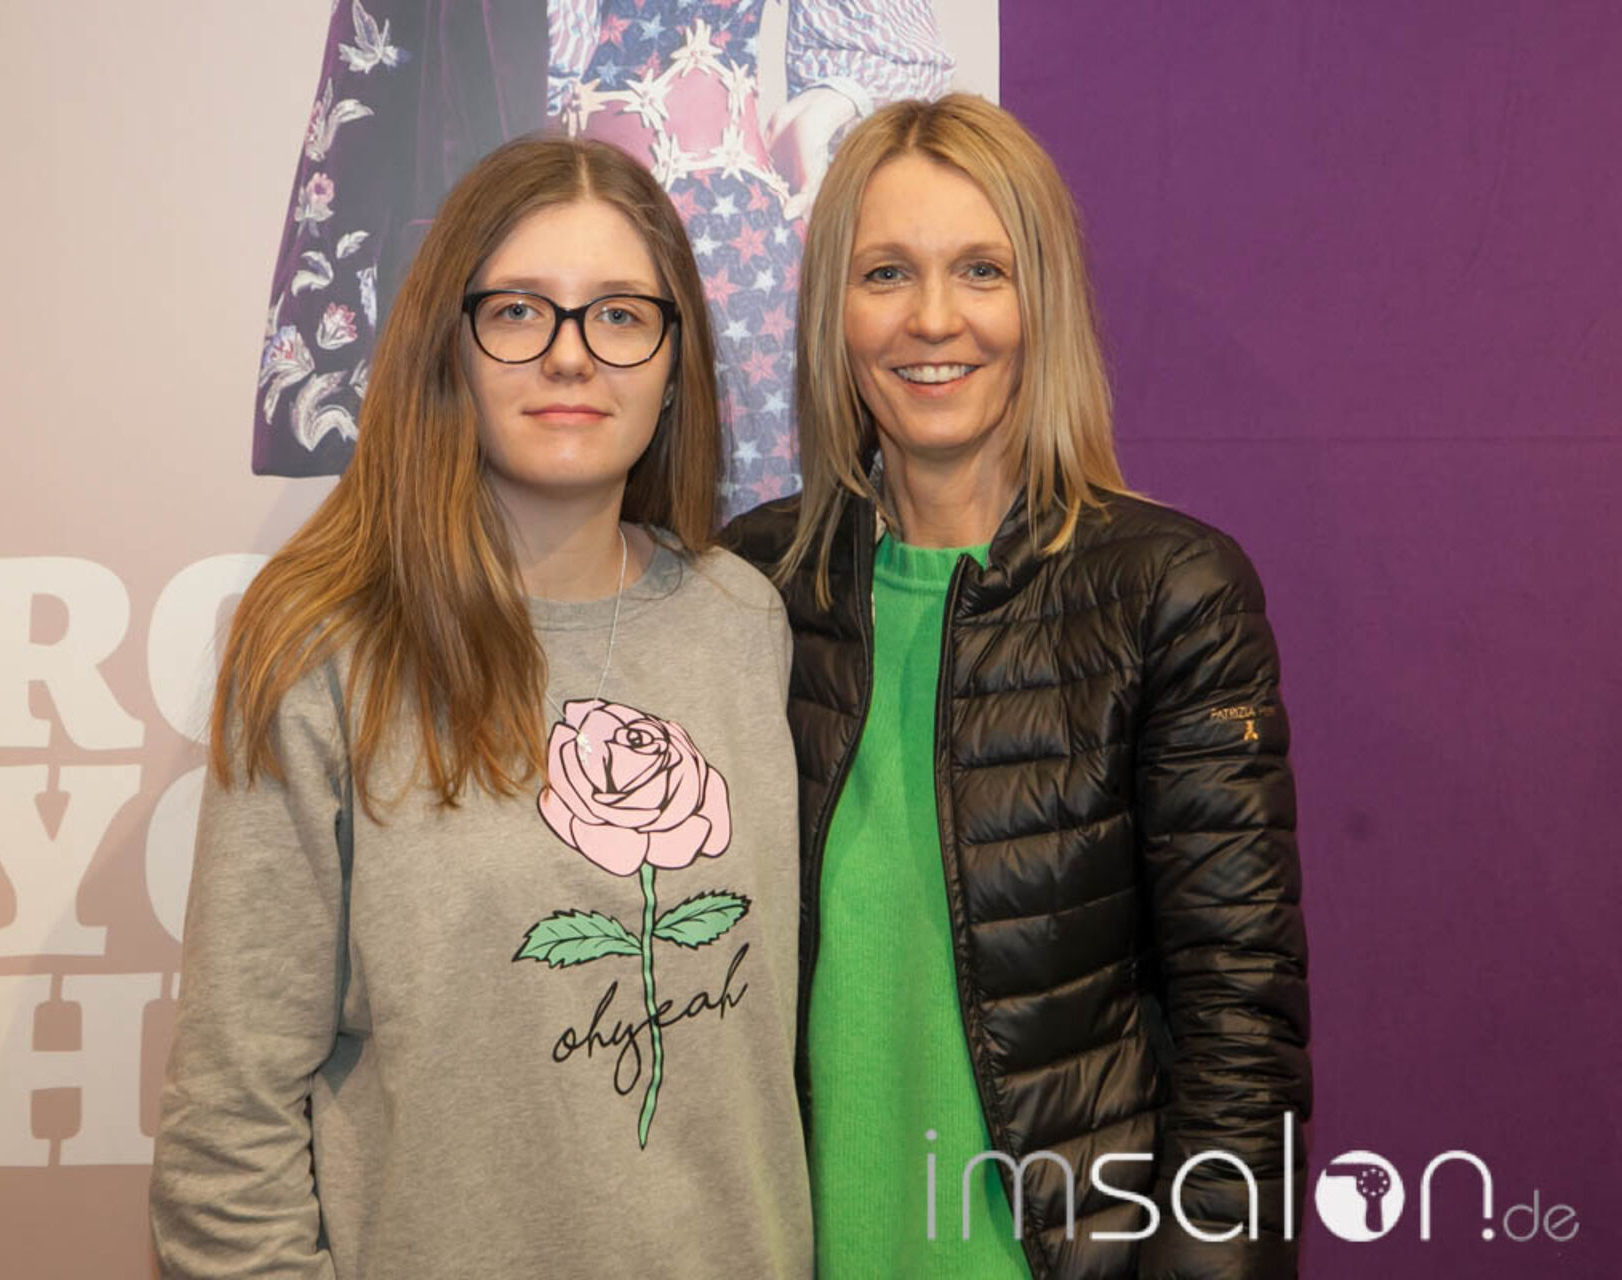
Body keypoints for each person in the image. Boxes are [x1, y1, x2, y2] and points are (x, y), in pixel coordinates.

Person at [153, 135, 811, 1278]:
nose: (570, 354)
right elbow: (227, 1135)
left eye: (620, 314)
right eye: (518, 311)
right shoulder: (324, 651)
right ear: (448, 347)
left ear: (675, 363)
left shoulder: (743, 621)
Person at [724, 94, 1312, 1278]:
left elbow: (1239, 1030)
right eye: (886, 272)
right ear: (832, 311)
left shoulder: (1169, 591)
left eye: (981, 270)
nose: (934, 318)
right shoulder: (748, 587)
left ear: (1040, 301)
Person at [253, 0, 954, 519]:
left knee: (733, 571)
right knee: (515, 575)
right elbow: (388, 86)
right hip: (525, 252)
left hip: (732, 259)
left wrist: (832, 101)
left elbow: (881, 44)